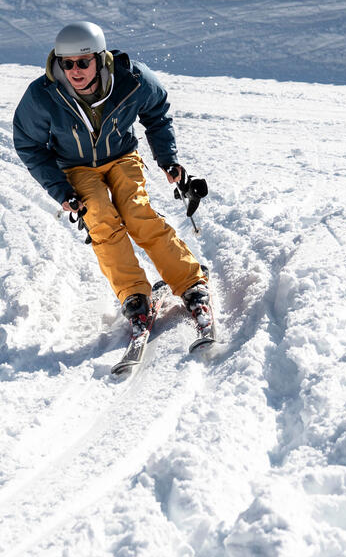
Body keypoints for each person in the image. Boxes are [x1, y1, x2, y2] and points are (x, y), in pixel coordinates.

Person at [12, 20, 211, 332]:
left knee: (137, 213)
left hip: (121, 157)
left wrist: (167, 158)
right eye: (67, 64)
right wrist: (60, 190)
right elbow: (29, 144)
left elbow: (157, 112)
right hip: (76, 167)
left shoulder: (131, 79)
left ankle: (190, 282)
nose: (75, 71)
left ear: (99, 58)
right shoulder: (43, 95)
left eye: (82, 62)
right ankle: (134, 295)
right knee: (101, 218)